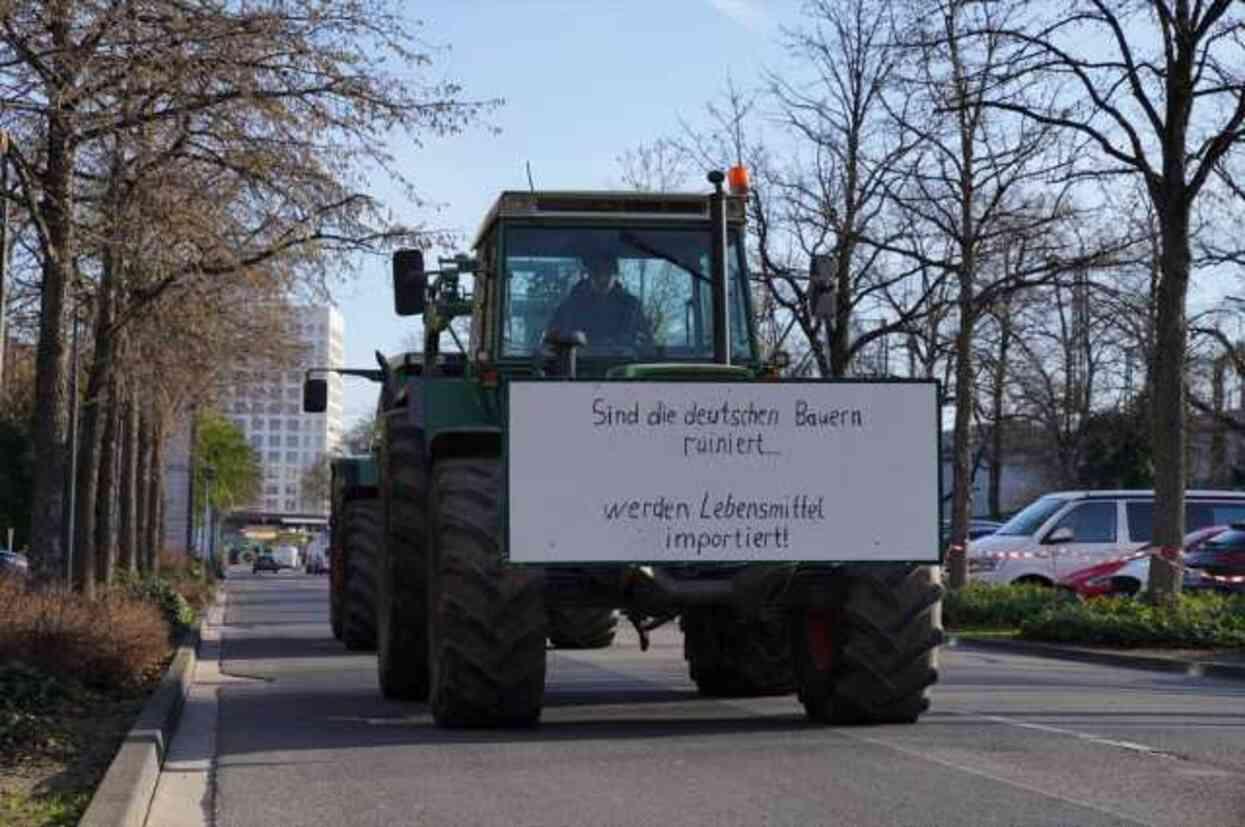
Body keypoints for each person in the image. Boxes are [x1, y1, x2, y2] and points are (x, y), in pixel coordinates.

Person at [547, 254, 651, 350]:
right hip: (576, 366)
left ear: (615, 274)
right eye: (596, 272)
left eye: (607, 272)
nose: (602, 278)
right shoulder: (570, 306)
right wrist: (571, 338)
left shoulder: (632, 307)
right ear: (588, 274)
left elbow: (648, 346)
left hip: (623, 365)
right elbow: (550, 341)